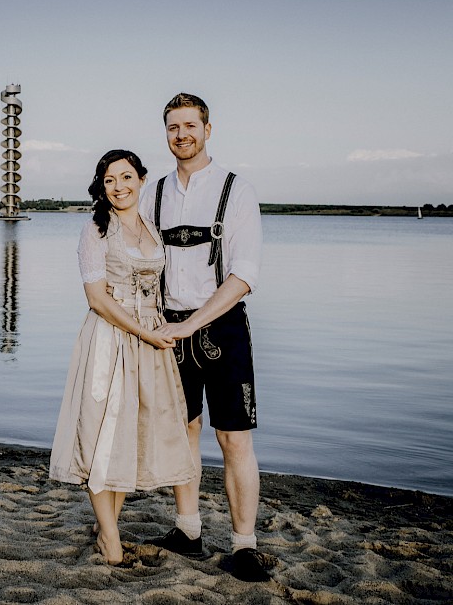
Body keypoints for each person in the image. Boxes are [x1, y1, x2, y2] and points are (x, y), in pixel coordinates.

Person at [139, 93, 269, 582]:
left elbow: (244, 276)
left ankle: (244, 544)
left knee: (234, 439)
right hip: (168, 329)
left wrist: (190, 325)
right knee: (183, 433)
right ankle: (188, 531)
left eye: (189, 125)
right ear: (166, 133)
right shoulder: (154, 193)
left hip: (223, 327)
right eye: (173, 127)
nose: (181, 135)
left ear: (208, 129)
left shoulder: (237, 190)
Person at [49, 149, 195, 566]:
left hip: (149, 341)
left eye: (127, 177)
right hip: (111, 339)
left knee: (129, 434)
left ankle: (105, 527)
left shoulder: (152, 227)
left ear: (142, 179)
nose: (119, 187)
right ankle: (111, 541)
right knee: (102, 436)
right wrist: (143, 331)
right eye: (110, 180)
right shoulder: (95, 230)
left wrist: (165, 329)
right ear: (102, 185)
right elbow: (96, 299)